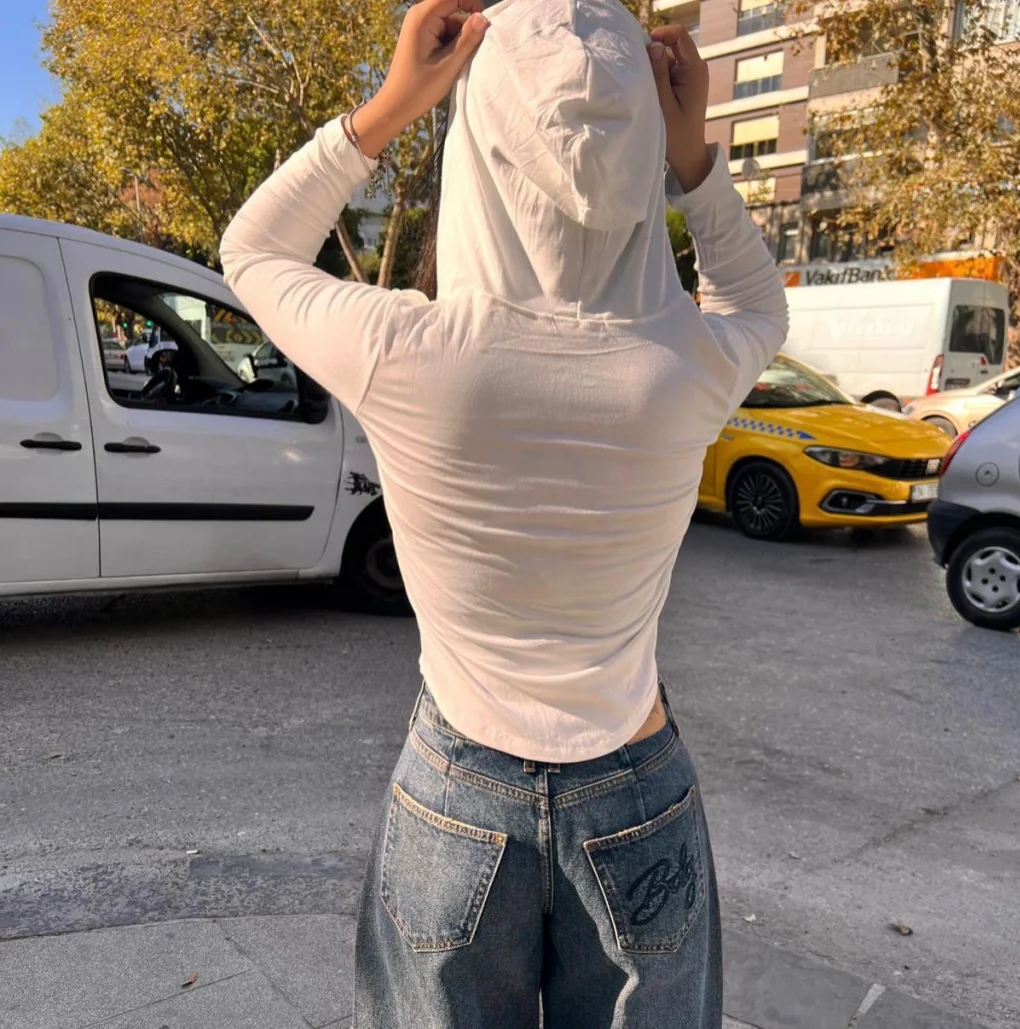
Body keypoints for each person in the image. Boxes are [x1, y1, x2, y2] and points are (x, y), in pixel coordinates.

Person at [221, 1, 788, 1025]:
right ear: (640, 154)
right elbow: (758, 302)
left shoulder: (408, 352)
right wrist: (693, 154)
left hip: (460, 786)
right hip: (635, 785)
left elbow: (254, 251)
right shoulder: (683, 363)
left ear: (477, 148)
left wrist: (394, 103)